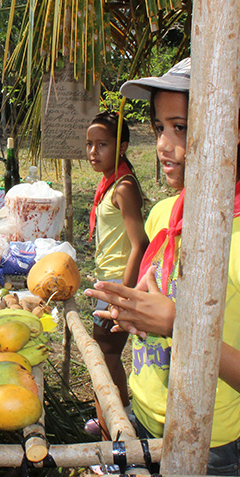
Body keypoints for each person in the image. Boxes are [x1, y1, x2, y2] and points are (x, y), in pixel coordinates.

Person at [89, 58, 240, 477]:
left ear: (232, 134)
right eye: (159, 127)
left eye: (181, 127)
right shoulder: (166, 217)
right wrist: (135, 311)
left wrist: (181, 328)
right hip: (149, 420)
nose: (163, 145)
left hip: (216, 448)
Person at [84, 111, 149, 436]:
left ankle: (117, 426)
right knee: (106, 355)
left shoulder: (124, 187)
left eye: (103, 145)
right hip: (107, 284)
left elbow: (139, 244)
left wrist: (121, 298)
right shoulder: (109, 184)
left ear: (121, 147)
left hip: (117, 288)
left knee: (105, 356)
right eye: (90, 144)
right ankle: (118, 415)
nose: (93, 152)